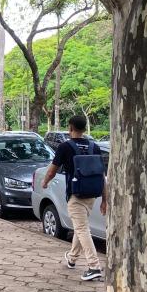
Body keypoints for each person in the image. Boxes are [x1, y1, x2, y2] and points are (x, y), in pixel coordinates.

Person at [40, 114, 108, 282]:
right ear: (85, 128)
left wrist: (45, 182)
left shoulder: (65, 147)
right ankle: (72, 258)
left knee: (82, 229)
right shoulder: (94, 147)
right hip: (92, 194)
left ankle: (94, 266)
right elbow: (102, 175)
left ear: (70, 128)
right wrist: (105, 199)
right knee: (81, 226)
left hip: (76, 195)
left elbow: (52, 169)